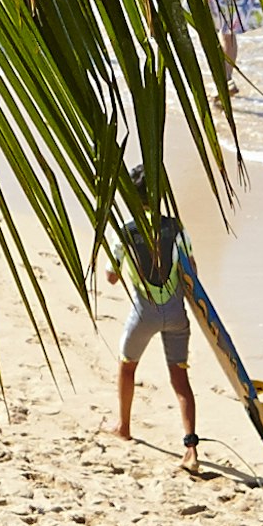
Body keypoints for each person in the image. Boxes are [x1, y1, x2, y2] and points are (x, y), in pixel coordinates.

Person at [115, 195, 201, 464]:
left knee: (127, 366)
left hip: (144, 315)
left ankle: (124, 428)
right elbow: (192, 270)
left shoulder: (126, 232)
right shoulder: (176, 228)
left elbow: (111, 276)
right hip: (176, 314)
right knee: (180, 378)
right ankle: (191, 446)